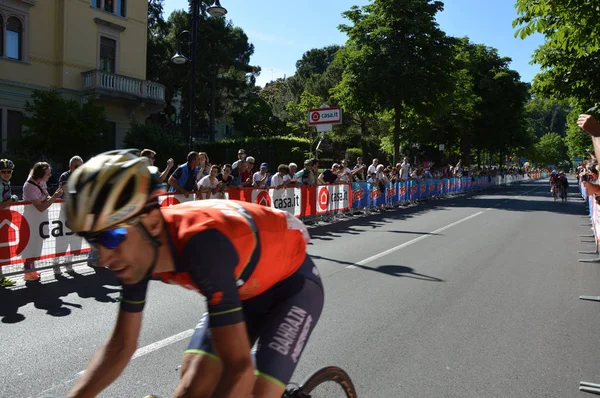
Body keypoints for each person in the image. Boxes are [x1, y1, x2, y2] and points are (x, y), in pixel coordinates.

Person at [63, 149, 324, 398]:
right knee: (191, 388)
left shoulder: (202, 245)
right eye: (93, 240)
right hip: (239, 287)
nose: (104, 257)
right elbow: (121, 346)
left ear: (152, 221)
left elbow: (238, 371)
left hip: (292, 287)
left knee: (257, 391)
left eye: (111, 237)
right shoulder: (137, 251)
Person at [0, 159, 18, 287]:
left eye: (9, 171)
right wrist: (12, 199)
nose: (6, 173)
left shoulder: (6, 183)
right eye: (3, 171)